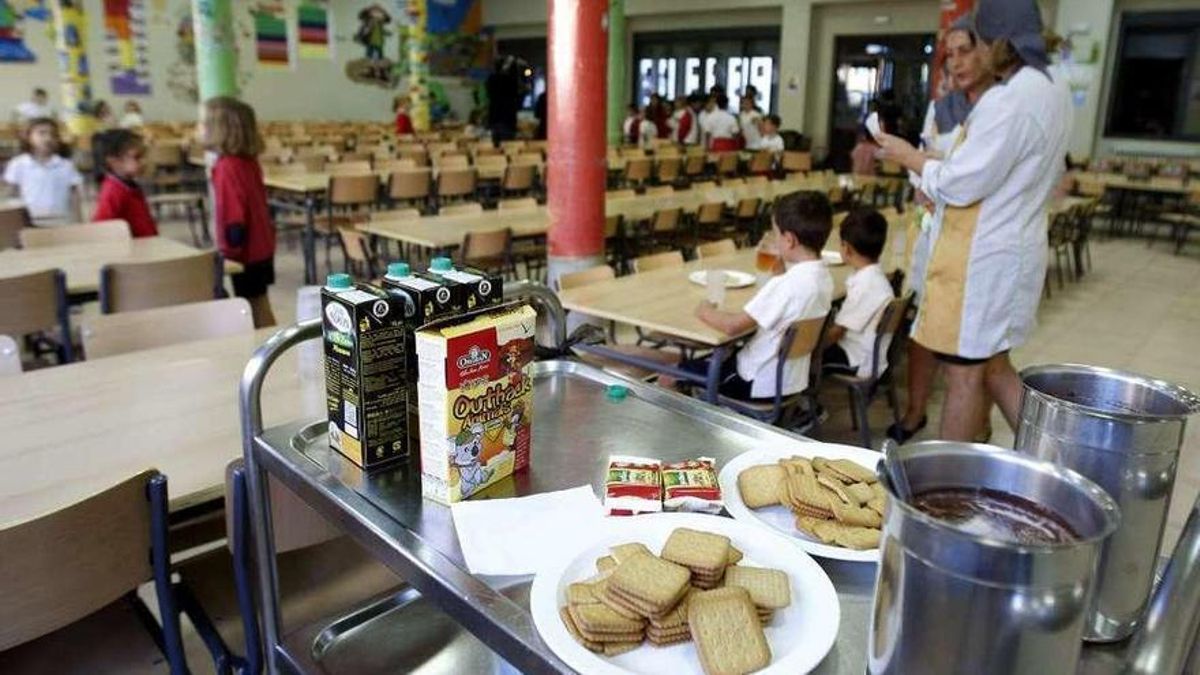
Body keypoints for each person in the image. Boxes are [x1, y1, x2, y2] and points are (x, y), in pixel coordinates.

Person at [876, 0, 1071, 441]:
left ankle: (948, 493)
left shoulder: (1009, 100)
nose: (972, 56)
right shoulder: (1052, 85)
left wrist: (911, 157)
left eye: (977, 44)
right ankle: (1055, 458)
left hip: (983, 259)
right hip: (1012, 245)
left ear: (999, 42)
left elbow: (963, 183)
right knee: (996, 367)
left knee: (964, 375)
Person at [890, 17, 994, 442]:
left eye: (963, 51)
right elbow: (926, 157)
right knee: (922, 322)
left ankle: (977, 427)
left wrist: (933, 173)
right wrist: (924, 181)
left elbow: (966, 174)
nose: (954, 62)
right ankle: (915, 411)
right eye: (948, 54)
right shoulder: (942, 107)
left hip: (975, 237)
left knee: (977, 351)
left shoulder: (997, 108)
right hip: (935, 227)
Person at [669, 191, 834, 400]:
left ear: (789, 240)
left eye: (776, 234)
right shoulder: (822, 276)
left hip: (754, 381)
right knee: (705, 360)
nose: (774, 239)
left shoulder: (787, 285)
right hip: (789, 381)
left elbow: (732, 326)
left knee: (670, 374)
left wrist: (705, 310)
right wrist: (780, 274)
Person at [203, 97, 277, 328]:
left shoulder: (227, 167)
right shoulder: (249, 162)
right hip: (262, 244)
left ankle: (269, 353)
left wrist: (228, 252)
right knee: (260, 302)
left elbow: (233, 216)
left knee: (252, 306)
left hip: (245, 251)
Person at [822, 209, 895, 378]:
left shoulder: (865, 285)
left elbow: (836, 333)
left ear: (846, 248)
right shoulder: (874, 276)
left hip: (857, 359)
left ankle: (805, 401)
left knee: (802, 358)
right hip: (868, 353)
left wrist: (808, 348)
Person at [3, 117, 82, 223]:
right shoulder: (18, 164)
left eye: (53, 134)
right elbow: (11, 193)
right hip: (29, 221)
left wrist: (78, 221)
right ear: (28, 137)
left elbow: (74, 196)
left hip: (60, 220)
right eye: (42, 133)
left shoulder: (65, 165)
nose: (48, 138)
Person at [91, 129, 157, 238]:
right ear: (114, 161)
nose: (144, 161)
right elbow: (101, 228)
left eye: (144, 155)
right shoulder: (113, 191)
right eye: (137, 157)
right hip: (131, 251)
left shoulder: (129, 185)